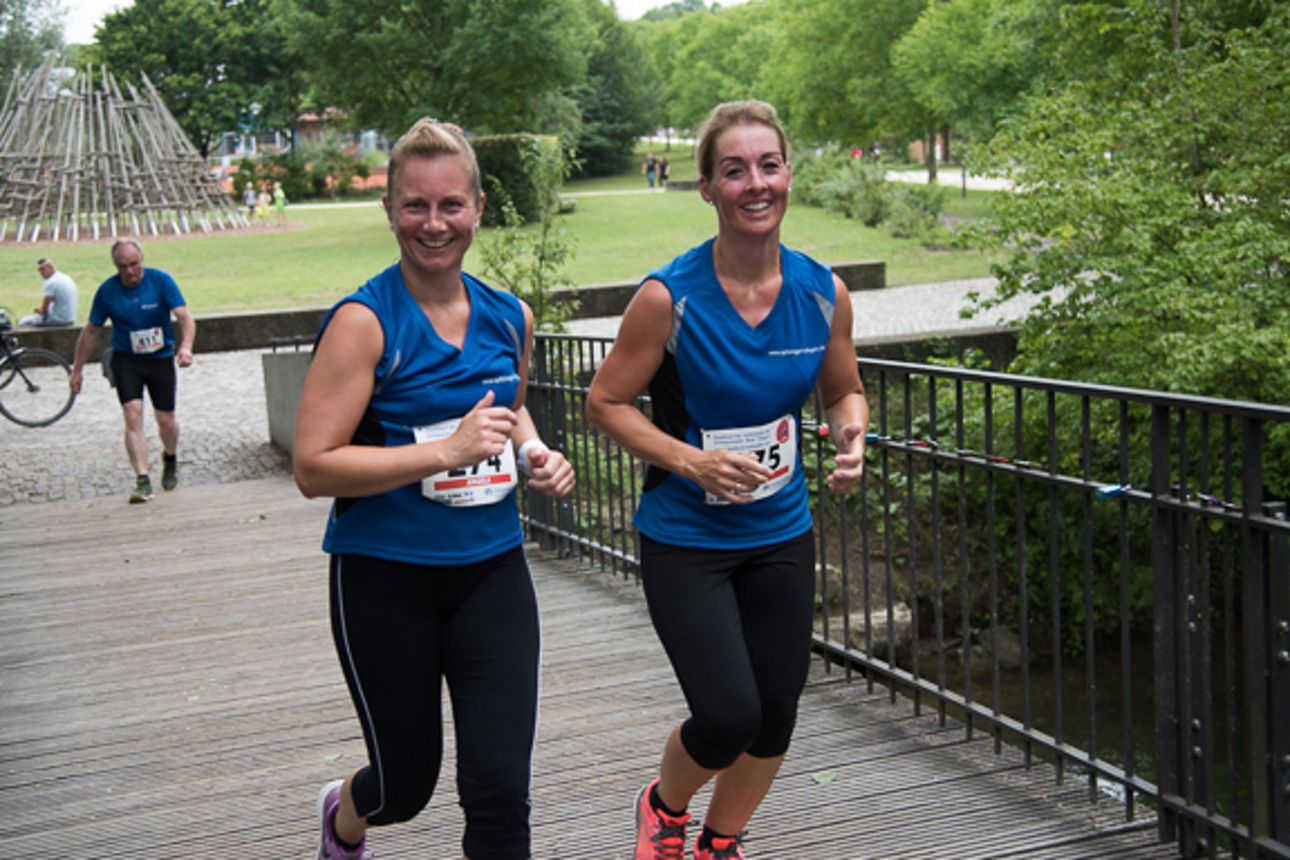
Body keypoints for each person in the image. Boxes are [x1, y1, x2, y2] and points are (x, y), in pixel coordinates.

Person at [586, 100, 869, 860]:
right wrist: (690, 460)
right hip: (686, 537)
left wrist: (851, 433)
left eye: (768, 166)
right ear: (707, 187)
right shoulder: (667, 299)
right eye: (734, 170)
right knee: (727, 714)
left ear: (788, 176)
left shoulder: (821, 292)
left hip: (780, 530)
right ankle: (664, 805)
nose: (755, 183)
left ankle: (720, 842)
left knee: (776, 713)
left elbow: (843, 387)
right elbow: (605, 404)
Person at [293, 117, 575, 860]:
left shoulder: (510, 315)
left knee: (499, 789)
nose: (434, 223)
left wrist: (536, 450)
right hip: (386, 580)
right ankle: (343, 818)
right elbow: (313, 466)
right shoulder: (363, 322)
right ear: (389, 209)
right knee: (404, 785)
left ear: (479, 207)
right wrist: (443, 452)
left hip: (492, 573)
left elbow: (504, 412)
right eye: (415, 205)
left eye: (451, 205)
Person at [70, 240, 196, 503]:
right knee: (132, 415)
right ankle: (142, 479)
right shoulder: (107, 291)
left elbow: (184, 316)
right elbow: (91, 331)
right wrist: (77, 369)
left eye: (134, 264)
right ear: (116, 266)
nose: (129, 272)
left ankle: (170, 456)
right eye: (123, 267)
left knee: (166, 420)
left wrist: (185, 347)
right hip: (126, 359)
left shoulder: (161, 281)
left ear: (142, 260)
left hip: (160, 359)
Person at [19, 257, 77, 327]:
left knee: (23, 323)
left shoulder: (50, 282)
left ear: (51, 267)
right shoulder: (65, 277)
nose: (41, 273)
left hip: (58, 320)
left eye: (43, 269)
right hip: (70, 318)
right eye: (39, 270)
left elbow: (44, 311)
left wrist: (39, 310)